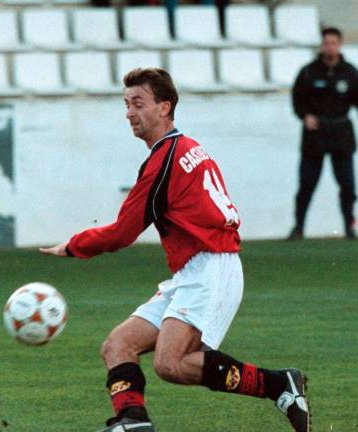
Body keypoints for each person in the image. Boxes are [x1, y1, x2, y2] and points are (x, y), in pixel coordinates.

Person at [40, 68, 310, 432]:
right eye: (126, 104)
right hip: (194, 269)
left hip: (210, 267)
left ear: (165, 106)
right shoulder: (186, 147)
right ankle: (133, 422)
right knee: (118, 344)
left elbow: (122, 233)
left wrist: (72, 246)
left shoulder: (163, 161)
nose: (129, 113)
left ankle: (279, 384)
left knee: (171, 363)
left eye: (138, 103)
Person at [289, 26, 358, 240]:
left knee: (347, 184)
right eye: (326, 43)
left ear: (339, 45)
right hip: (315, 133)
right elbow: (297, 100)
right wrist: (305, 116)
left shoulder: (350, 72)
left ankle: (349, 225)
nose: (330, 47)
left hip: (340, 132)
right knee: (307, 183)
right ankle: (299, 227)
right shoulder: (309, 72)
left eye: (334, 43)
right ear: (322, 44)